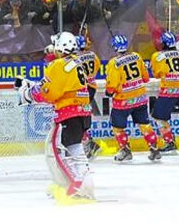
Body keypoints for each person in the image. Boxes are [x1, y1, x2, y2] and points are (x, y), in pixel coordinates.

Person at [15, 32, 94, 203]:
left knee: (59, 153)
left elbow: (49, 93)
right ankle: (86, 185)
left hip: (68, 114)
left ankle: (75, 187)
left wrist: (27, 94)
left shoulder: (58, 65)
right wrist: (32, 86)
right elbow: (55, 85)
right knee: (76, 151)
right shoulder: (77, 62)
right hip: (84, 113)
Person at [105, 35, 161, 162]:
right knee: (144, 124)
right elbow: (145, 77)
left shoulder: (114, 63)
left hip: (123, 101)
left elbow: (112, 84)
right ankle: (154, 148)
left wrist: (109, 92)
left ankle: (125, 150)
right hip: (140, 98)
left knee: (118, 127)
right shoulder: (137, 56)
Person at [74, 35, 102, 160]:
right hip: (91, 87)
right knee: (82, 116)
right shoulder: (92, 55)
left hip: (82, 90)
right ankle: (89, 142)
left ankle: (89, 143)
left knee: (78, 117)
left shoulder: (74, 59)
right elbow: (97, 66)